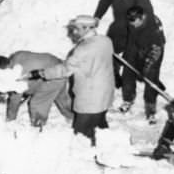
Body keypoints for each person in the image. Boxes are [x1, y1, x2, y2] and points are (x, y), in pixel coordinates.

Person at [30, 15, 115, 144]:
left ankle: (86, 156)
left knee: (80, 134)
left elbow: (65, 70)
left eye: (77, 29)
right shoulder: (106, 41)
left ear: (87, 28)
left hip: (90, 96)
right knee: (100, 123)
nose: (74, 32)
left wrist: (42, 73)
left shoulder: (83, 48)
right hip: (105, 91)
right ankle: (109, 147)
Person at [93, 0, 154, 88]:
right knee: (110, 50)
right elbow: (105, 0)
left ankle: (132, 75)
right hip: (118, 26)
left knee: (130, 53)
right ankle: (113, 73)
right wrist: (97, 16)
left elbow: (148, 12)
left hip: (133, 28)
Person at [0, 51, 73, 128]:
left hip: (51, 74)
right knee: (60, 96)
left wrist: (10, 119)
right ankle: (71, 116)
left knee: (37, 103)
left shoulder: (16, 75)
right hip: (58, 67)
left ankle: (38, 126)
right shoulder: (17, 56)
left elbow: (14, 100)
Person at [120, 5, 166, 123]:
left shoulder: (153, 29)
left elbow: (156, 51)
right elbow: (131, 38)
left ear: (142, 17)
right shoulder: (132, 21)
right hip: (137, 45)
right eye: (130, 22)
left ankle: (150, 111)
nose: (132, 24)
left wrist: (146, 68)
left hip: (153, 49)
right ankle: (128, 99)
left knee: (151, 79)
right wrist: (127, 56)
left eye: (134, 22)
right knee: (127, 71)